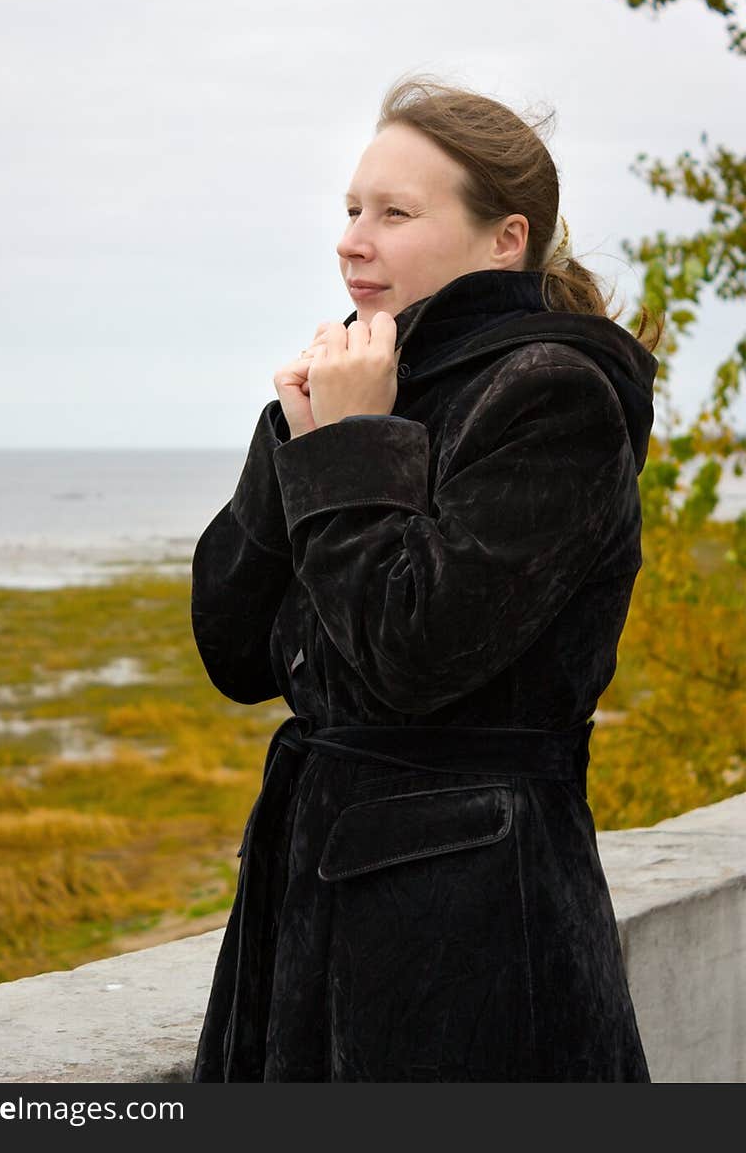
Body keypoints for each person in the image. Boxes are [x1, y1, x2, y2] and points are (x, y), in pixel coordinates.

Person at [188, 76, 662, 1082]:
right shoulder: (361, 382)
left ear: (504, 239)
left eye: (394, 214)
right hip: (306, 908)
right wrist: (297, 436)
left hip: (475, 927)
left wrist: (354, 441)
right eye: (352, 209)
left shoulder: (552, 395)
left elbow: (411, 654)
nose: (352, 240)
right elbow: (232, 649)